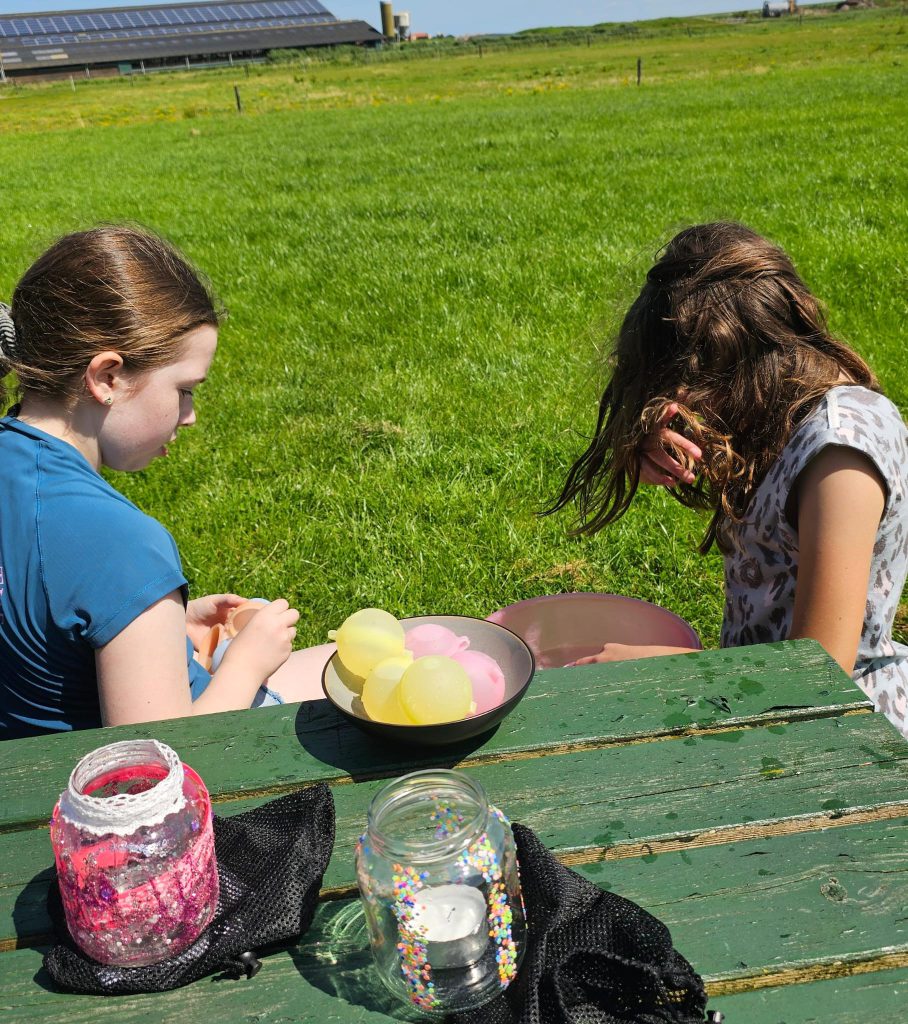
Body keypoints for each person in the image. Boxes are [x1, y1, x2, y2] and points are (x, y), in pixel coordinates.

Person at [549, 221, 908, 738]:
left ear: (729, 366)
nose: (680, 399)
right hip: (756, 703)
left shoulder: (840, 459)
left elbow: (821, 670)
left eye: (685, 383)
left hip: (847, 734)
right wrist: (650, 441)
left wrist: (664, 671)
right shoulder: (778, 412)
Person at [0, 226, 330, 741]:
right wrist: (247, 664)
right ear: (107, 377)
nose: (191, 415)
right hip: (131, 796)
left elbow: (45, 634)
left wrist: (165, 629)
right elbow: (160, 762)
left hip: (26, 777)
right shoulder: (121, 544)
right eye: (185, 391)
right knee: (405, 653)